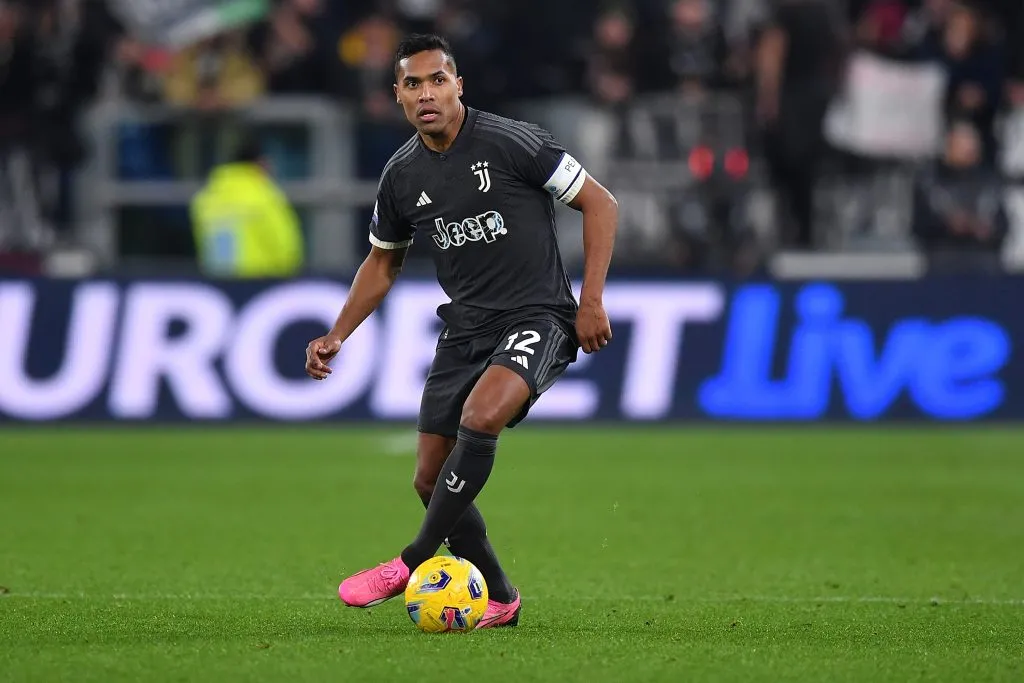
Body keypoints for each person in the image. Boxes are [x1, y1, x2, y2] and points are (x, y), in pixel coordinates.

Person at [304, 34, 618, 628]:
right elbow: (382, 261)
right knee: (429, 477)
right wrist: (338, 333)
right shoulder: (400, 176)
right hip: (464, 330)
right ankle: (501, 597)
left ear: (459, 86)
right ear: (397, 96)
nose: (427, 94)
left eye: (437, 80)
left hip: (539, 317)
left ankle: (412, 560)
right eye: (413, 85)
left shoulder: (513, 142)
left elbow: (601, 204)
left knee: (481, 418)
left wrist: (591, 301)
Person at [191, 138, 305, 278]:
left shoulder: (207, 196)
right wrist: (291, 271)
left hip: (218, 278)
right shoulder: (263, 194)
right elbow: (283, 242)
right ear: (260, 163)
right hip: (260, 279)